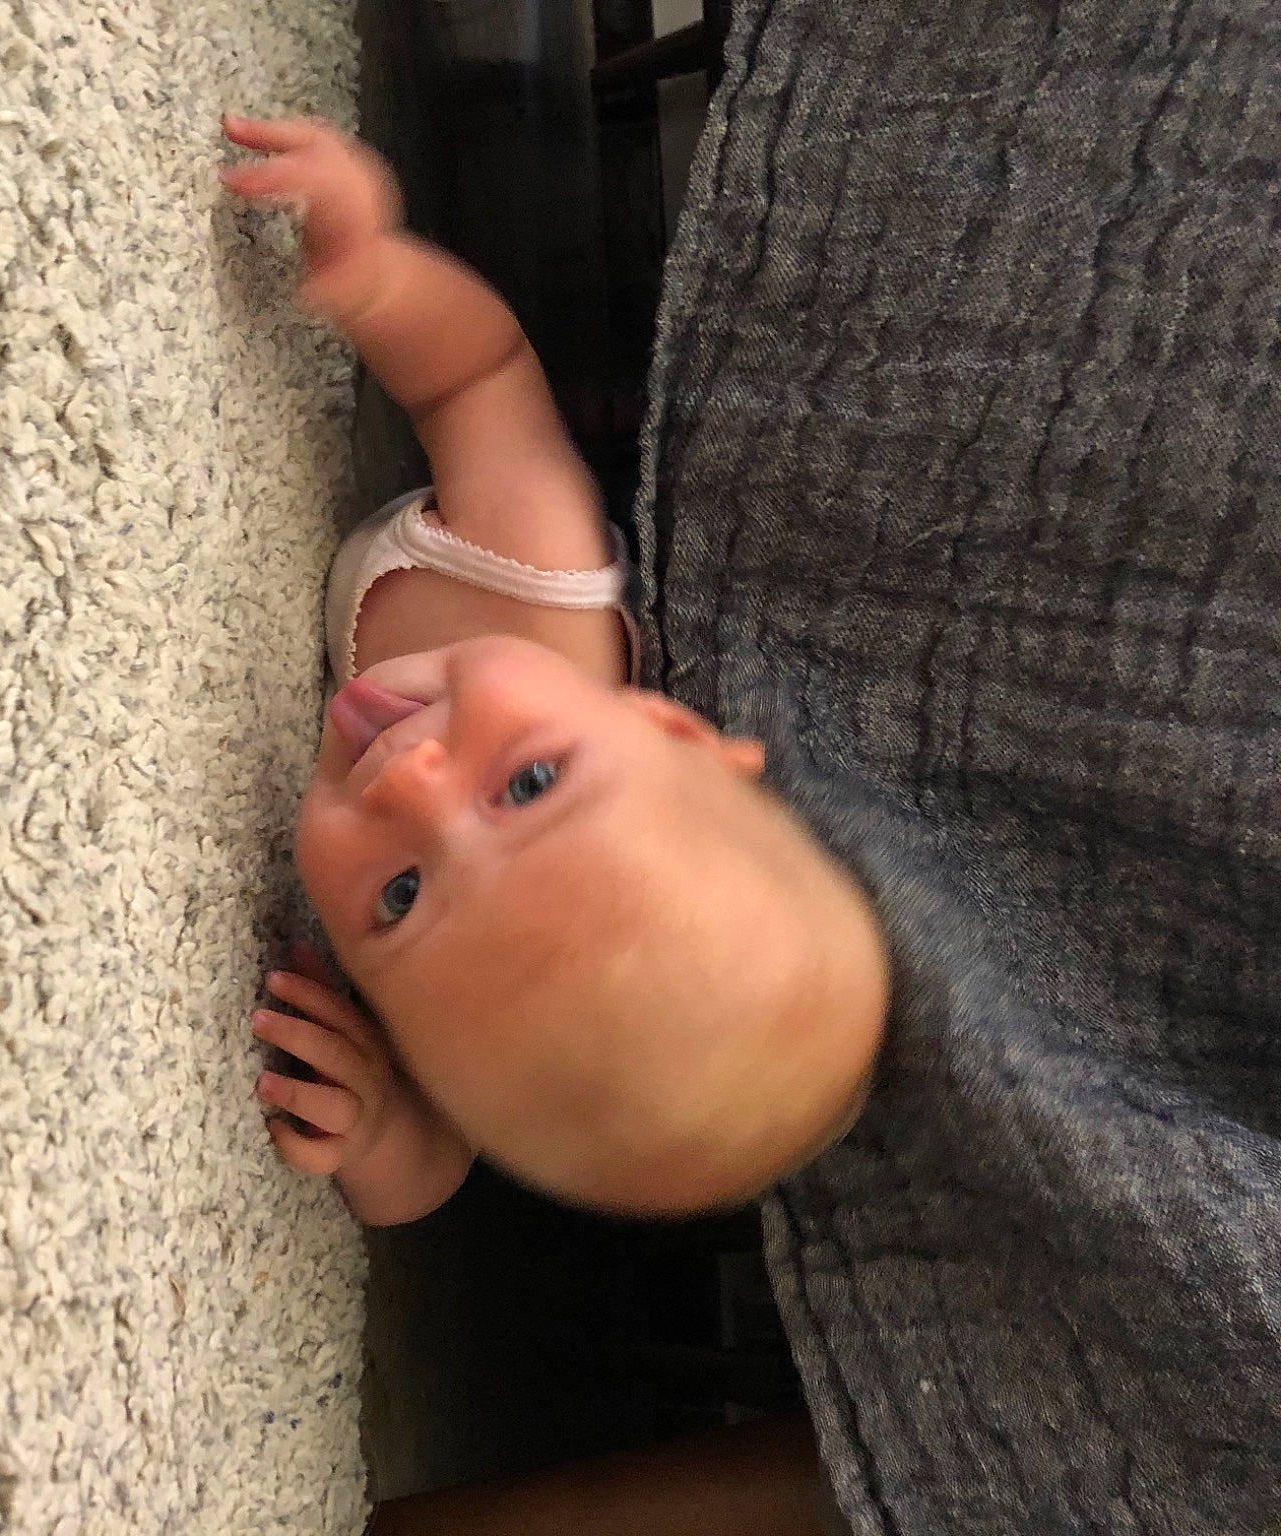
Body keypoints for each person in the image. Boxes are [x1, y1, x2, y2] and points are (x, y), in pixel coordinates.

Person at [221, 112, 874, 1535]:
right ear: (663, 725)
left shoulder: (487, 994)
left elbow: (425, 1182)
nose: (410, 785)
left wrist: (384, 1123)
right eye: (528, 785)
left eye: (395, 900)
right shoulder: (534, 580)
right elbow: (475, 375)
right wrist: (373, 263)